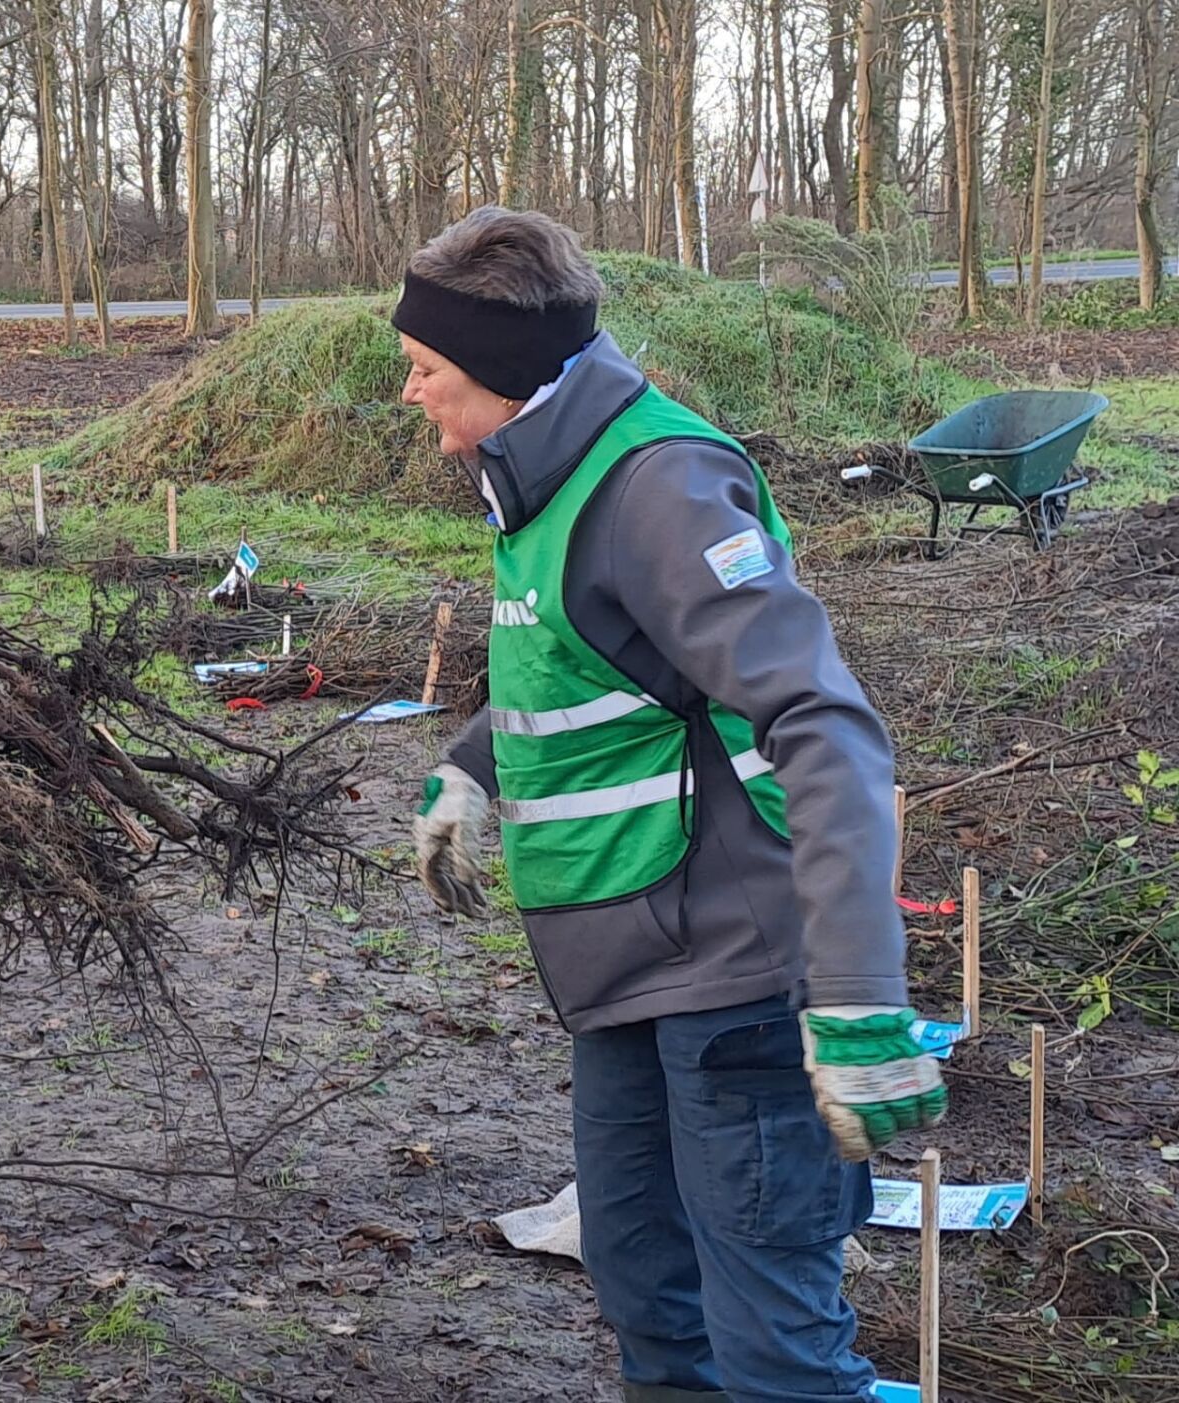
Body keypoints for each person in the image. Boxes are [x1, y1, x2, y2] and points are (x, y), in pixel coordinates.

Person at [397, 207, 947, 1403]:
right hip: (626, 972)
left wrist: (859, 994)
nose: (410, 389)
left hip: (732, 972)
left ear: (497, 367)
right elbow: (609, 663)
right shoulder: (538, 475)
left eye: (426, 365)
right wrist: (477, 763)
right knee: (648, 1291)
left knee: (773, 1344)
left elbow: (825, 724)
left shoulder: (660, 486)